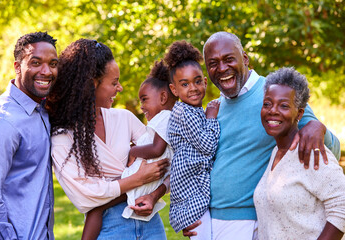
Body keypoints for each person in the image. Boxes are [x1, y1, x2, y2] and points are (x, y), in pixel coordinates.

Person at [182, 31, 341, 239]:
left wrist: (318, 127)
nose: (222, 68)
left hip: (248, 221)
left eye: (229, 59)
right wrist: (193, 212)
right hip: (212, 220)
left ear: (245, 58)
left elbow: (333, 150)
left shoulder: (274, 94)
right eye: (213, 63)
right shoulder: (214, 108)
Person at [46, 39, 169, 240]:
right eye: (113, 82)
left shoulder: (124, 118)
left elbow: (163, 162)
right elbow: (85, 196)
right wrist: (137, 178)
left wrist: (152, 193)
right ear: (91, 85)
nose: (119, 88)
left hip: (150, 222)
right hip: (109, 227)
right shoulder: (64, 137)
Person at [254, 67, 345, 239]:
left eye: (284, 105)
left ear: (300, 113)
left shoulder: (311, 152)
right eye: (267, 103)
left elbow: (342, 206)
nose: (272, 110)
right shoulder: (276, 153)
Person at [0, 32, 58, 239]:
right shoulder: (2, 121)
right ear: (17, 67)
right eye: (36, 63)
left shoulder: (41, 109)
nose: (46, 71)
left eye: (53, 64)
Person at [164, 40, 221, 240]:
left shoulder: (194, 110)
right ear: (174, 89)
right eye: (185, 84)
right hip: (191, 189)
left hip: (195, 183)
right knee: (202, 233)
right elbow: (208, 146)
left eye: (197, 81)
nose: (193, 88)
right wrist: (212, 118)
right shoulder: (184, 111)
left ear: (205, 81)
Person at [121, 59, 177, 221]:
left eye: (144, 99)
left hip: (145, 176)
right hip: (150, 177)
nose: (141, 106)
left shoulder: (165, 116)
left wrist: (133, 151)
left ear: (163, 97)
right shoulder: (167, 119)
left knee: (100, 205)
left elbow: (156, 149)